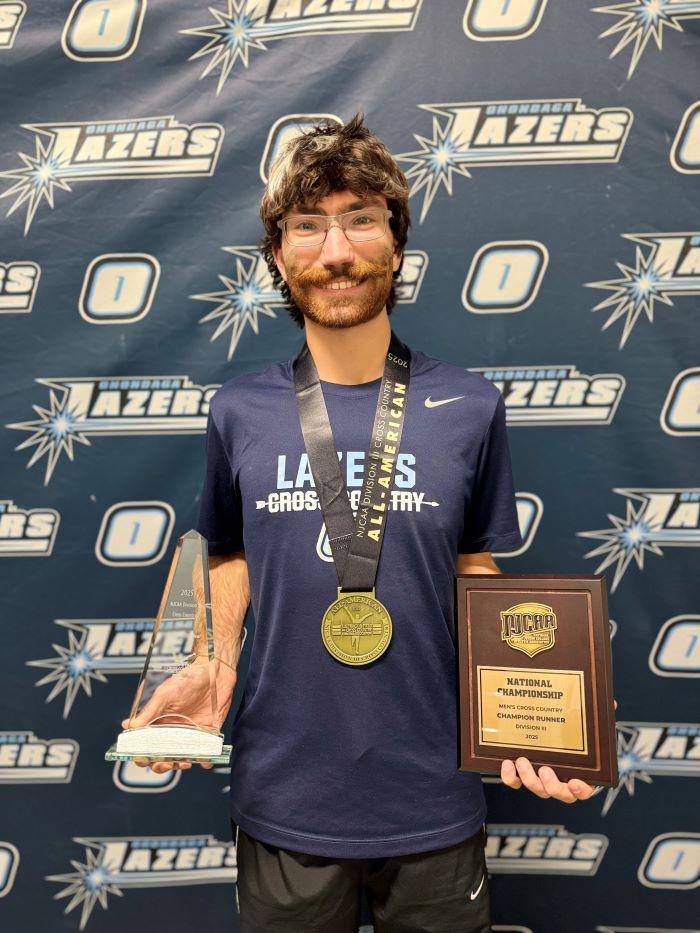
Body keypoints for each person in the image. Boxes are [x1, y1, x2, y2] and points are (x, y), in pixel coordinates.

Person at [125, 114, 604, 932]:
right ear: (277, 255)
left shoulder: (472, 406)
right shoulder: (238, 409)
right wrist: (209, 661)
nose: (336, 250)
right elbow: (231, 557)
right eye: (307, 226)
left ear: (397, 240)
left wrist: (540, 716)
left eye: (361, 219)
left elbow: (473, 570)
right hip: (286, 791)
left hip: (432, 792)